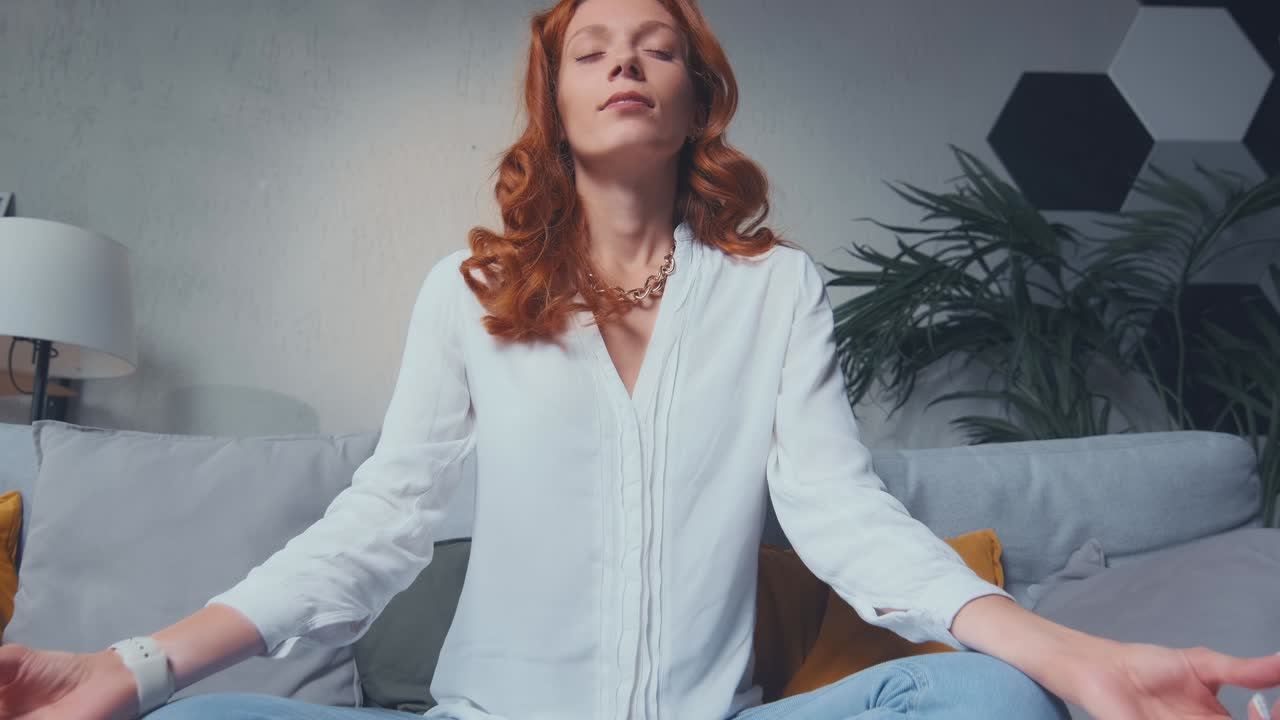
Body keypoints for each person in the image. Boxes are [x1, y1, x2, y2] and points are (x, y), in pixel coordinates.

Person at [3, 0, 1279, 718]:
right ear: (554, 100)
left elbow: (842, 517)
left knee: (994, 704)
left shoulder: (776, 292)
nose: (624, 58)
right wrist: (136, 661)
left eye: (657, 44)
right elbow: (378, 523)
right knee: (187, 716)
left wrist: (1066, 653)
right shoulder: (466, 292)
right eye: (591, 47)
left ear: (696, 99)